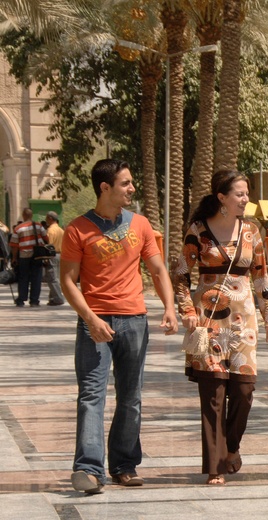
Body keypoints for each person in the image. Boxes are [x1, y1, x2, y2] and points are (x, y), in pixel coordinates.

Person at [60, 159, 179, 494]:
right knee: (91, 396)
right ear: (105, 188)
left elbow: (157, 270)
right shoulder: (77, 229)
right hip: (94, 325)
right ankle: (88, 469)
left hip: (134, 322)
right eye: (125, 183)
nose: (131, 188)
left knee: (131, 398)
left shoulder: (139, 224)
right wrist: (90, 318)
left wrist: (169, 307)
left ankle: (124, 465)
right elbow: (68, 281)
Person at [173, 170, 268, 486]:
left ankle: (230, 447)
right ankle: (215, 467)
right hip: (208, 321)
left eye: (247, 194)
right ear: (222, 197)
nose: (246, 199)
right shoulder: (198, 231)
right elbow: (180, 273)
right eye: (240, 194)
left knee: (244, 393)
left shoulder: (251, 232)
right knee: (214, 395)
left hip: (243, 323)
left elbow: (261, 277)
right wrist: (187, 310)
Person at [11, 207, 47, 307]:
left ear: (23, 215)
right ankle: (34, 300)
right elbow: (46, 238)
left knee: (23, 277)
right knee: (36, 278)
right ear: (31, 215)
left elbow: (14, 245)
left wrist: (14, 258)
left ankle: (21, 299)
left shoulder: (18, 228)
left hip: (24, 256)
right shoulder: (39, 226)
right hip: (37, 256)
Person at [42, 211, 66, 306]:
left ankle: (58, 298)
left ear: (50, 218)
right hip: (61, 254)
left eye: (47, 218)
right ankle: (52, 298)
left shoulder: (50, 231)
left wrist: (46, 257)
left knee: (52, 278)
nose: (46, 220)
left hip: (52, 255)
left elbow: (49, 245)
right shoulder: (61, 230)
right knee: (56, 277)